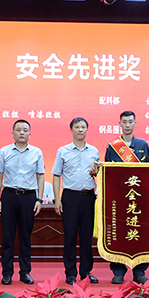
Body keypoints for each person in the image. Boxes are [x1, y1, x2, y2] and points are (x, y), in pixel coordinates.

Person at [0, 119, 44, 285]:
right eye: (18, 130)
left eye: (25, 130)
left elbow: (40, 176)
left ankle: (25, 272)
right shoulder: (4, 151)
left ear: (30, 133)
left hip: (28, 197)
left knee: (25, 237)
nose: (22, 132)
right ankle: (7, 273)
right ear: (13, 133)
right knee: (7, 237)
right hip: (8, 196)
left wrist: (39, 199)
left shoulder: (37, 152)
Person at [105, 111, 149, 284]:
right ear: (119, 124)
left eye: (130, 122)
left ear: (135, 123)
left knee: (140, 233)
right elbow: (107, 172)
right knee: (118, 234)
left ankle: (139, 271)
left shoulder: (142, 145)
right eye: (124, 122)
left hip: (138, 199)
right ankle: (118, 271)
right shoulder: (112, 147)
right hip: (119, 199)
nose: (127, 125)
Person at [52, 117, 100, 285]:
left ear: (87, 130)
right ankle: (70, 273)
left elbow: (98, 174)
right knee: (70, 237)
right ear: (71, 130)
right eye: (77, 127)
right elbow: (56, 175)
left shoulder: (94, 151)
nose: (80, 130)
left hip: (88, 197)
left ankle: (86, 272)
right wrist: (57, 199)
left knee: (86, 238)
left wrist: (95, 173)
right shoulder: (63, 151)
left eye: (83, 127)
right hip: (70, 197)